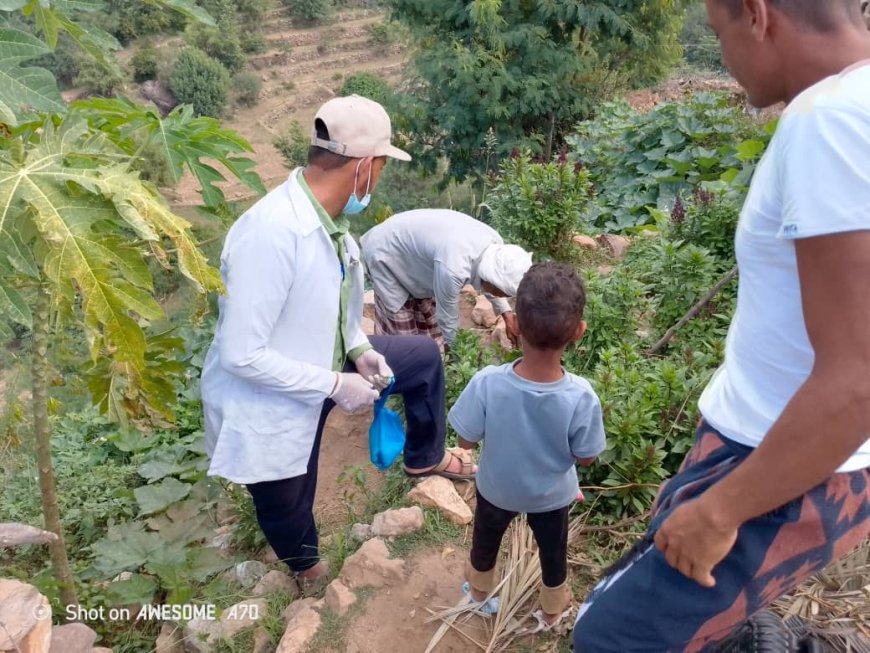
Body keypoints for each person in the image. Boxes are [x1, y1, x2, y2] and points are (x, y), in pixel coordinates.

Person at [573, 1, 870, 650]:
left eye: (717, 32)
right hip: (774, 439)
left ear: (758, 14)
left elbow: (858, 378)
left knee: (611, 636)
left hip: (787, 459)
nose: (725, 59)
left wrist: (723, 508)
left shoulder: (831, 125)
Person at [200, 95, 476, 591]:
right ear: (365, 167)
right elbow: (241, 354)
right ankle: (306, 568)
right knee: (286, 499)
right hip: (274, 393)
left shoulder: (334, 230)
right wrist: (334, 384)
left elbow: (341, 311)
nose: (379, 179)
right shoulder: (271, 235)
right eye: (382, 168)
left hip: (326, 367)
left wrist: (360, 352)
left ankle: (424, 456)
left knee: (420, 357)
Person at [448, 263, 606, 630]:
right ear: (579, 333)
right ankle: (552, 612)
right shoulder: (581, 397)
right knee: (553, 553)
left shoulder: (488, 383)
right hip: (551, 498)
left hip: (496, 491)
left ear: (514, 323)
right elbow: (587, 457)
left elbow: (465, 440)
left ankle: (479, 595)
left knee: (485, 543)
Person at [360, 209, 533, 352]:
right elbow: (448, 321)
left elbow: (494, 279)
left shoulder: (495, 246)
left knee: (428, 321)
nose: (502, 296)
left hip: (416, 254)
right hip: (386, 252)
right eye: (503, 293)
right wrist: (462, 357)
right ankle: (394, 383)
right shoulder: (454, 268)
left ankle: (428, 363)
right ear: (492, 281)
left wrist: (507, 314)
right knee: (404, 339)